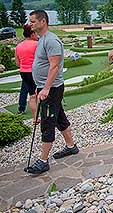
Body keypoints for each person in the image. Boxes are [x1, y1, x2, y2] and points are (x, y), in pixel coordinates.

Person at [26, 10, 78, 174]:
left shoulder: (52, 40)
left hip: (52, 89)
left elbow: (54, 66)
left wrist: (46, 88)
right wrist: (40, 85)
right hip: (45, 87)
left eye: (33, 21)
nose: (30, 24)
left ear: (43, 21)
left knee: (47, 122)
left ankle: (43, 160)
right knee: (59, 117)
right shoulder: (42, 39)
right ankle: (71, 146)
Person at [15, 24, 38, 115]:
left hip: (24, 72)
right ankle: (45, 108)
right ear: (32, 34)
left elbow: (17, 63)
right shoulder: (37, 44)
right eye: (36, 34)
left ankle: (21, 108)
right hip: (35, 72)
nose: (37, 36)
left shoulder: (18, 46)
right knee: (42, 90)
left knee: (26, 90)